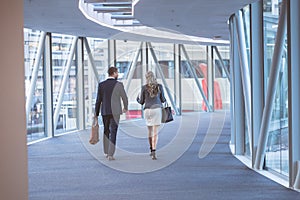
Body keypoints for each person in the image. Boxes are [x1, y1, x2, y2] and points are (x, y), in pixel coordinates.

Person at [94, 66, 128, 161]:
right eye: (117, 72)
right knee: (113, 131)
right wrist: (125, 107)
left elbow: (98, 100)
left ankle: (105, 151)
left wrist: (96, 113)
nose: (117, 74)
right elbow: (124, 97)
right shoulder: (119, 85)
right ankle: (110, 154)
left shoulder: (101, 85)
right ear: (114, 73)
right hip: (116, 112)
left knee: (106, 131)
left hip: (105, 111)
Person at [137, 71, 166, 160]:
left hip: (147, 110)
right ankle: (154, 150)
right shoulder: (159, 86)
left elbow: (141, 101)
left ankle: (150, 149)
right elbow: (163, 100)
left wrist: (137, 98)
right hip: (157, 110)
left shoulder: (144, 88)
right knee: (155, 132)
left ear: (146, 78)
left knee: (149, 131)